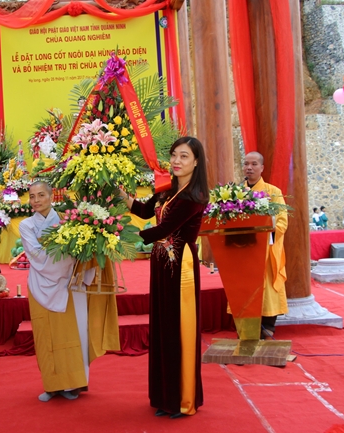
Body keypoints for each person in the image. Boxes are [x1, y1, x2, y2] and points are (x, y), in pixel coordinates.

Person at [121, 137, 208, 419]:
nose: (176, 161)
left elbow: (163, 229)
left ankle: (182, 399)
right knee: (163, 328)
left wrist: (122, 235)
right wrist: (123, 196)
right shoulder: (168, 189)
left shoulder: (194, 197)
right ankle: (164, 397)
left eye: (184, 156)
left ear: (196, 162)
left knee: (178, 329)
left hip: (180, 267)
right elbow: (145, 211)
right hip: (161, 263)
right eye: (174, 155)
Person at [19, 181, 119, 402]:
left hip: (72, 283)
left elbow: (84, 251)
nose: (36, 200)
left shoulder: (70, 220)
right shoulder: (26, 225)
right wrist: (70, 259)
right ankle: (52, 385)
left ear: (51, 196)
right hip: (41, 284)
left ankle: (75, 383)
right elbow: (37, 256)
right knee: (46, 336)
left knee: (76, 333)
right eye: (32, 196)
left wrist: (78, 257)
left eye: (41, 195)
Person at [243, 152, 289, 339]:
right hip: (243, 251)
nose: (249, 167)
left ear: (262, 168)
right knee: (244, 288)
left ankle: (268, 326)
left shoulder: (273, 192)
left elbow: (282, 222)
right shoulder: (235, 193)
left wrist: (265, 229)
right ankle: (246, 327)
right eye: (246, 164)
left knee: (268, 289)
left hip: (266, 250)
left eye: (254, 164)